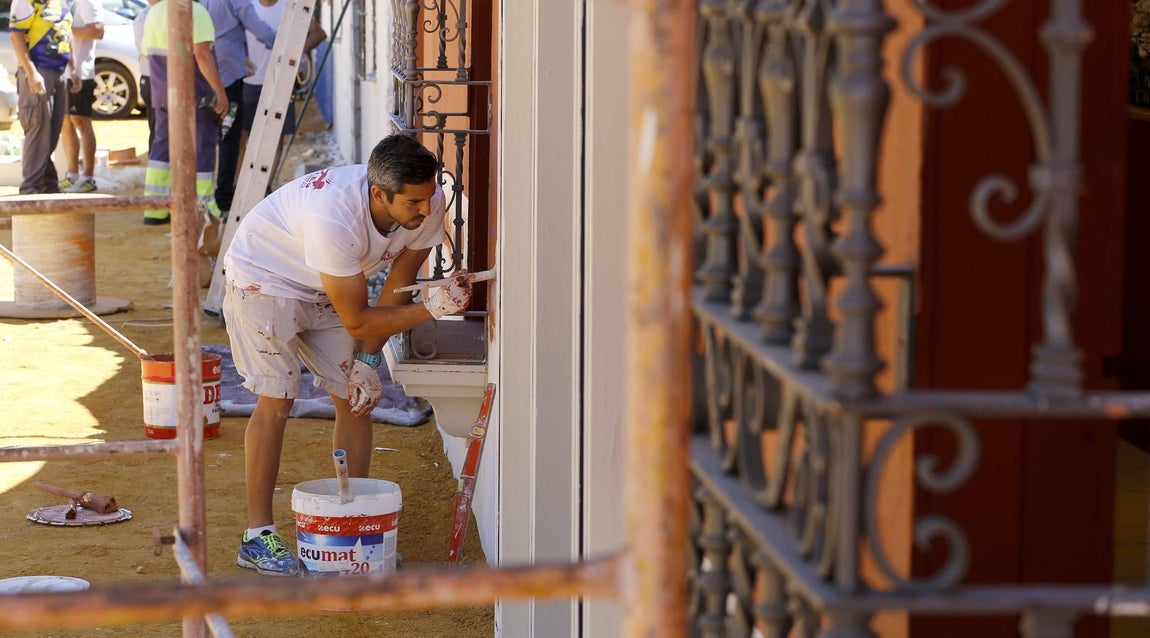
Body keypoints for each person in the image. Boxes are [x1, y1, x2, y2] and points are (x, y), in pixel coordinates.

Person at [221, 134, 473, 576]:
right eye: (413, 202)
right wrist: (432, 307)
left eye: (429, 197)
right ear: (379, 194)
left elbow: (399, 280)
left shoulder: (426, 201)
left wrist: (369, 364)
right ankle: (257, 535)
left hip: (326, 286)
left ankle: (351, 523)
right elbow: (357, 320)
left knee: (356, 396)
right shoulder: (334, 218)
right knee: (277, 400)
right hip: (264, 280)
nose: (425, 209)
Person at [139, 0, 228, 225]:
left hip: (163, 95)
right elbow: (202, 54)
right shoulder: (195, 12)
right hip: (194, 97)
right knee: (202, 148)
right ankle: (205, 207)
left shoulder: (155, 12)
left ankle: (155, 209)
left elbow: (148, 54)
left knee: (162, 147)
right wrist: (219, 91)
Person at [199, 0, 276, 213]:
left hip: (205, 71)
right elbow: (258, 28)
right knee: (229, 137)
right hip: (226, 73)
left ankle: (214, 194)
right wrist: (284, 43)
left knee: (207, 135)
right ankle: (223, 196)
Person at [240, 0, 326, 182]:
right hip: (249, 82)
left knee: (274, 138)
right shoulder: (248, 5)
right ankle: (239, 186)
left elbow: (319, 33)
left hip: (282, 81)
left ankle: (266, 187)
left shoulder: (290, 8)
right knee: (243, 137)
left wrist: (296, 51)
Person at [8, 0, 72, 194]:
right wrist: (31, 72)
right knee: (38, 129)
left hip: (59, 71)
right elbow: (16, 34)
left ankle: (48, 186)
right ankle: (30, 189)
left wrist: (74, 67)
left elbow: (67, 33)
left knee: (51, 133)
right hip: (38, 70)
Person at [58, 0, 103, 193]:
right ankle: (72, 174)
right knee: (65, 122)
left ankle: (88, 177)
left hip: (81, 72)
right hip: (63, 71)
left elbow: (97, 31)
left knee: (81, 122)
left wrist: (65, 28)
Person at [132, 0, 160, 150]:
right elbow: (149, 52)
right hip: (155, 80)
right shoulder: (145, 17)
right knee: (159, 134)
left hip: (156, 80)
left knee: (160, 132)